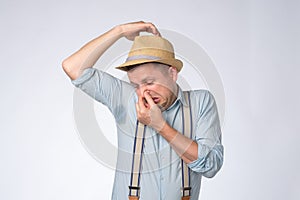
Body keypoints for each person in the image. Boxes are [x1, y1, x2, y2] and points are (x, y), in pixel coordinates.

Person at [62, 21, 223, 200]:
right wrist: (119, 31)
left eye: (149, 82)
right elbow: (72, 67)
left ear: (172, 74)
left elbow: (210, 165)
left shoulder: (201, 102)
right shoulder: (125, 98)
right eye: (136, 85)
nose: (143, 92)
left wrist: (161, 126)